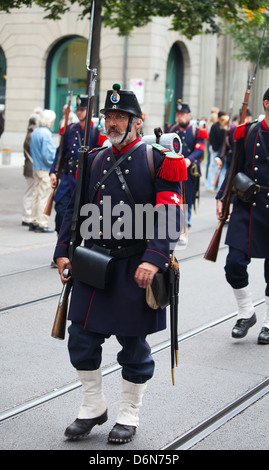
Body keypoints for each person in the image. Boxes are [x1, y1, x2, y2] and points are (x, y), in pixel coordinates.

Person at [53, 83, 187, 444]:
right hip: (93, 264)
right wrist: (63, 248)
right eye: (109, 116)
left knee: (133, 345)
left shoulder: (158, 159)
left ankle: (129, 414)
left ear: (137, 122)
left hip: (135, 266)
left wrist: (155, 259)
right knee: (80, 337)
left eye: (120, 117)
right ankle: (92, 406)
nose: (112, 123)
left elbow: (171, 214)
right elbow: (74, 209)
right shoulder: (94, 158)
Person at [216, 88, 269, 345]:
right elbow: (234, 166)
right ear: (267, 104)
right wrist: (222, 196)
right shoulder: (249, 132)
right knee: (234, 263)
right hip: (248, 204)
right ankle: (247, 312)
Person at [50, 94, 108, 235]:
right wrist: (53, 172)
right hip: (68, 176)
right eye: (79, 109)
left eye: (83, 109)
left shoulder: (97, 131)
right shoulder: (69, 130)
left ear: (91, 111)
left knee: (85, 215)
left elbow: (103, 155)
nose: (80, 112)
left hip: (86, 178)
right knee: (61, 209)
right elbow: (60, 153)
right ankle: (61, 246)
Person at [166, 99, 208, 229]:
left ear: (189, 115)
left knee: (188, 195)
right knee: (172, 194)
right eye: (178, 113)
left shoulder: (196, 131)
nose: (180, 116)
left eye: (183, 113)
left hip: (189, 170)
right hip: (173, 168)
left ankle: (186, 220)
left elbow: (200, 150)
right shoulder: (171, 129)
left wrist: (189, 160)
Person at [29, 109, 56, 233]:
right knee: (44, 196)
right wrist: (54, 164)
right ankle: (42, 223)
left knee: (36, 195)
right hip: (45, 168)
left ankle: (33, 220)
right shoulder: (46, 133)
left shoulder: (35, 132)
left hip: (36, 167)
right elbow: (48, 155)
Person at [21, 113, 39, 226]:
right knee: (30, 192)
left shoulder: (30, 134)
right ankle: (26, 216)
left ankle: (28, 215)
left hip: (29, 165)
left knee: (31, 192)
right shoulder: (31, 135)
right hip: (30, 166)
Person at [205, 111, 228, 191]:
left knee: (221, 169)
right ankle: (209, 185)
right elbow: (212, 138)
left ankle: (218, 186)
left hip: (222, 150)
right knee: (213, 167)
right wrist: (216, 149)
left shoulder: (225, 127)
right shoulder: (215, 126)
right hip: (215, 150)